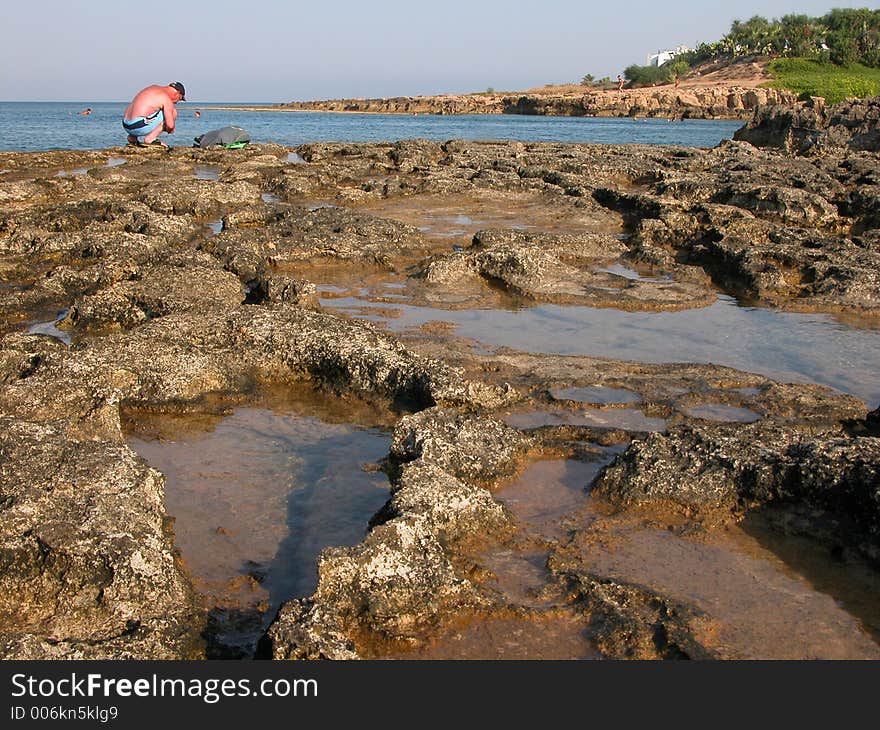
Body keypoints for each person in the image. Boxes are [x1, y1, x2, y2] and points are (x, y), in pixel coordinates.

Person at [122, 82, 186, 147]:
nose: (176, 102)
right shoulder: (165, 98)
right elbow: (170, 125)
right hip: (138, 125)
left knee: (147, 111)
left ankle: (132, 137)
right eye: (179, 99)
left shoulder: (153, 88)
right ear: (177, 93)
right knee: (173, 112)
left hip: (126, 124)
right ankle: (150, 138)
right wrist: (170, 129)